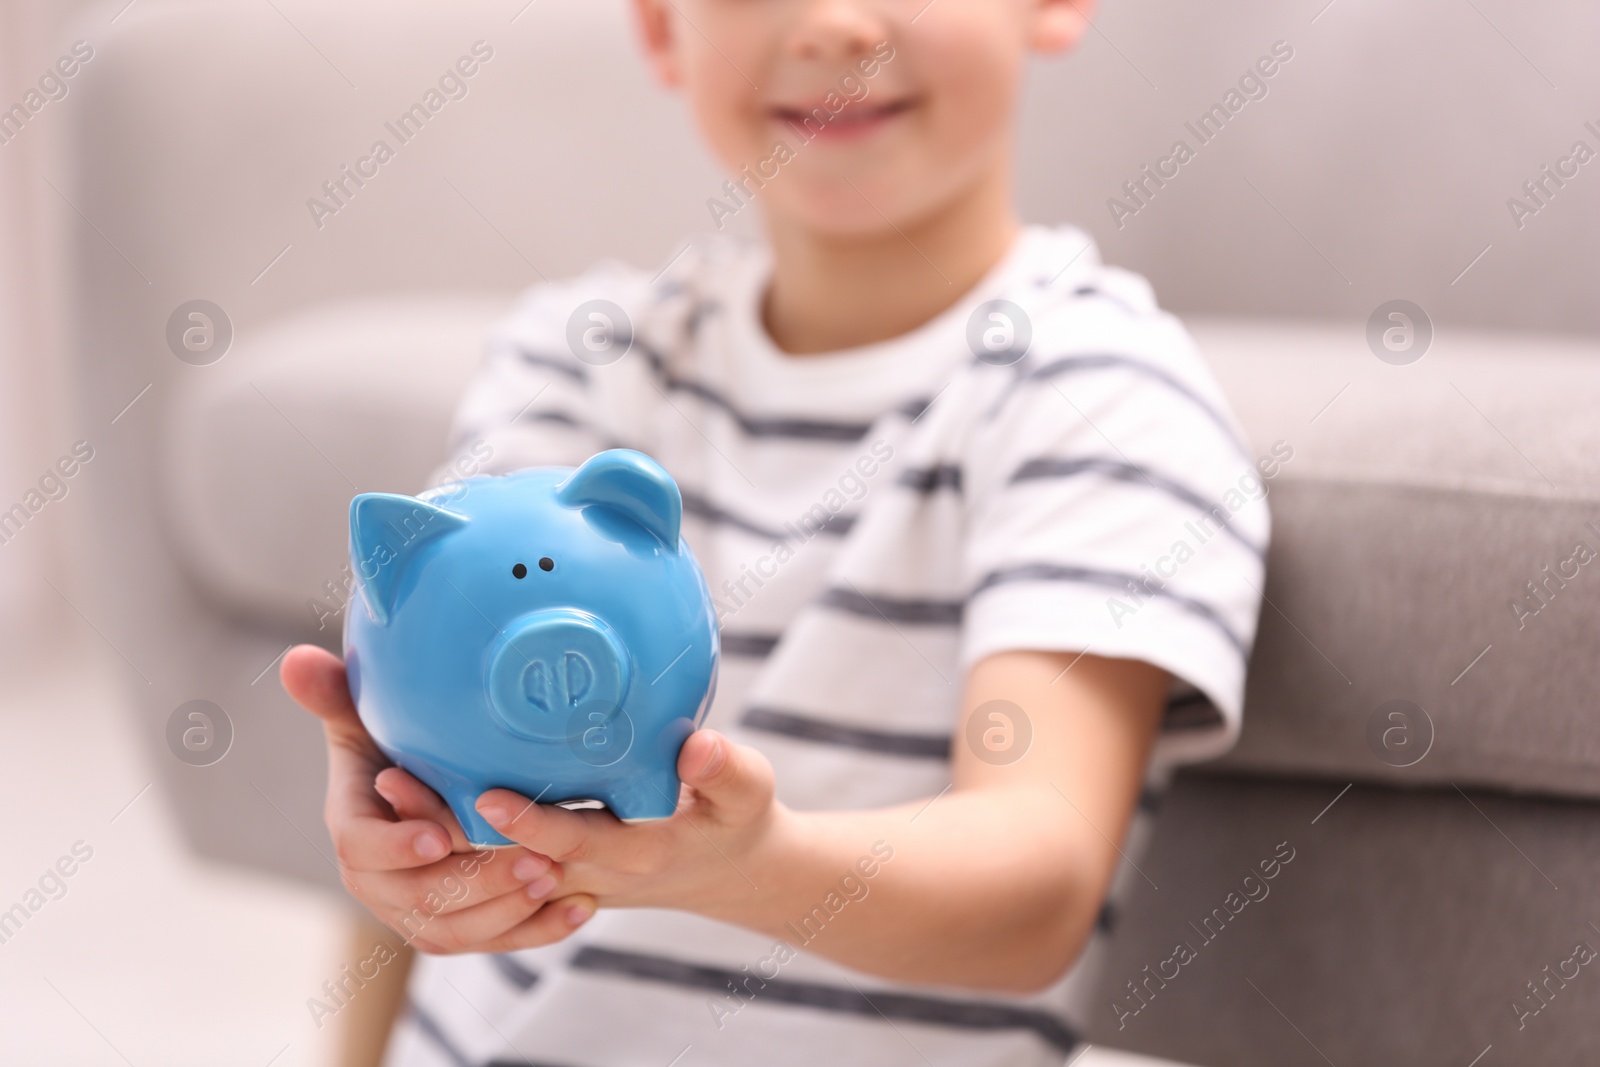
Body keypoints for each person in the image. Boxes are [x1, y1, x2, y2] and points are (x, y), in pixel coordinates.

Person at [281, 1, 1271, 1063]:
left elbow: (1036, 890)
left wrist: (751, 864)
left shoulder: (1095, 396)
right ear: (663, 27)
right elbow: (422, 717)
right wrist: (397, 833)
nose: (831, 25)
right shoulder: (579, 356)